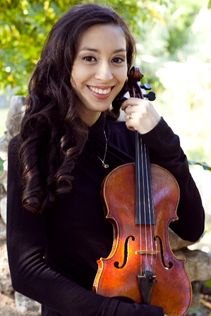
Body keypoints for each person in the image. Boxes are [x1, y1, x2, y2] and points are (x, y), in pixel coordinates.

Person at [7, 3, 204, 316]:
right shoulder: (34, 149)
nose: (105, 74)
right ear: (64, 63)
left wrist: (165, 142)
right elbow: (26, 271)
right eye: (89, 58)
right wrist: (117, 313)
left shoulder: (137, 138)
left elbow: (193, 227)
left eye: (117, 60)